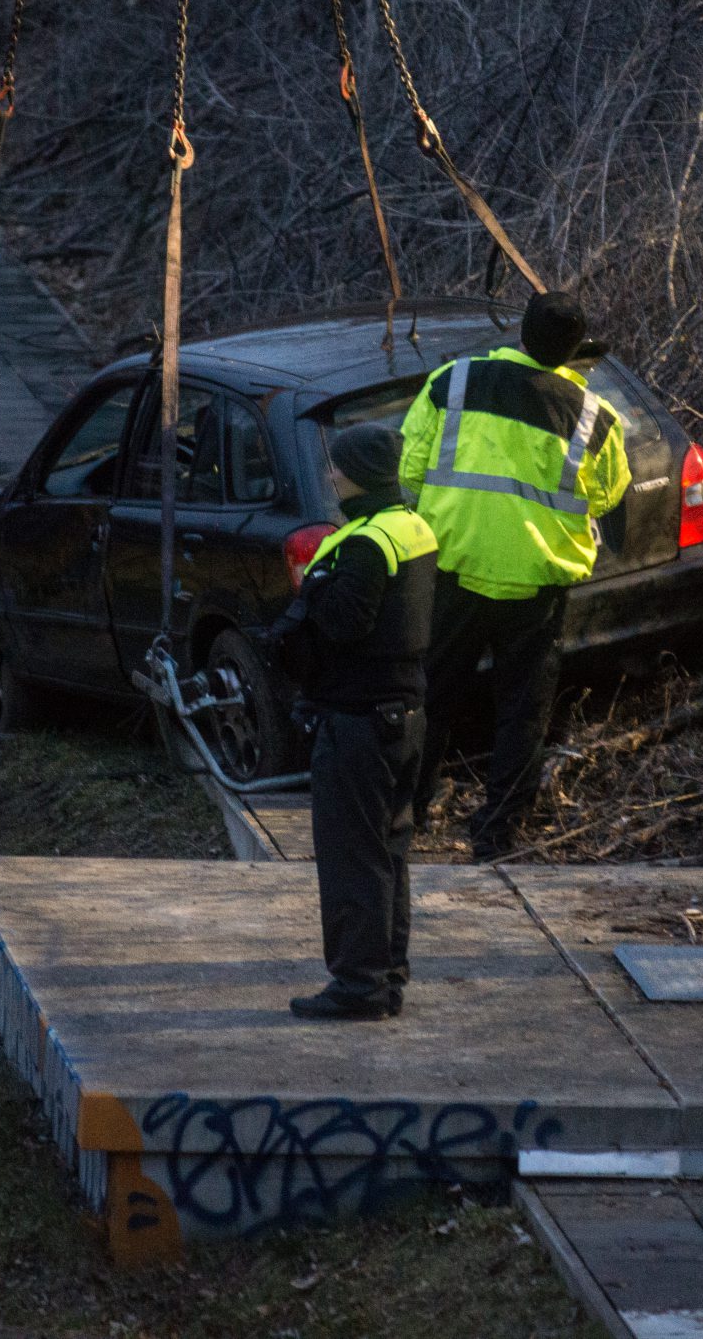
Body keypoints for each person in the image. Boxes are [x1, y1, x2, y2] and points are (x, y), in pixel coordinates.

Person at [400, 290, 630, 860]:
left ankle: (407, 811)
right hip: (536, 586)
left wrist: (437, 520)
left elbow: (408, 470)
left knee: (431, 696)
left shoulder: (452, 382)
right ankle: (496, 832)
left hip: (456, 569)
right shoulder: (596, 418)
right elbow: (604, 496)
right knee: (523, 713)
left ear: (519, 335)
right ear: (575, 350)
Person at [264, 422, 437, 1021]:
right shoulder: (411, 528)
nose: (331, 477)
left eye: (337, 467)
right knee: (388, 853)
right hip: (404, 719)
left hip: (359, 725)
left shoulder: (364, 545)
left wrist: (313, 592)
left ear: (358, 473)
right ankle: (385, 977)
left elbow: (344, 625)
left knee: (352, 859)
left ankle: (358, 987)